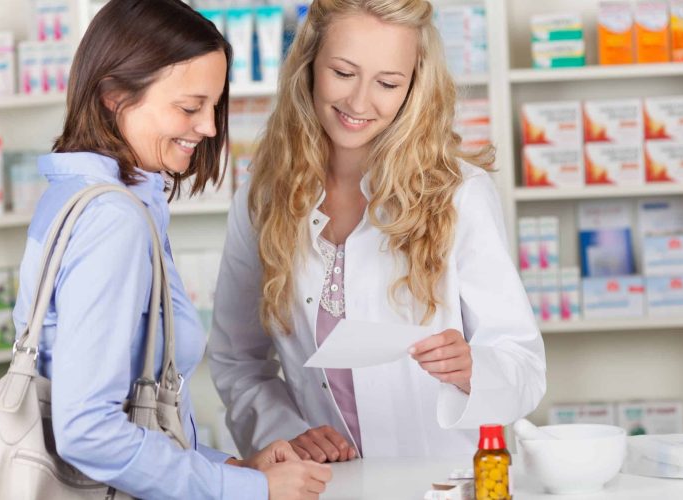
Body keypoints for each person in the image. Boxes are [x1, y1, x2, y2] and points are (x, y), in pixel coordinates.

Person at [11, 0, 330, 498]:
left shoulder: (78, 196)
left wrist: (235, 468)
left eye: (212, 107)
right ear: (115, 96)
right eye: (189, 107)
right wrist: (244, 490)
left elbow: (133, 418)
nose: (207, 127)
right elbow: (88, 430)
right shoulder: (112, 220)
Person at [208, 0, 546, 463]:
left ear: (414, 87)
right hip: (323, 484)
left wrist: (472, 368)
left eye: (387, 83)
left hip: (441, 481)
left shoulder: (459, 194)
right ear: (308, 64)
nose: (359, 102)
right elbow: (238, 361)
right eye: (343, 73)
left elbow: (522, 363)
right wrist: (286, 435)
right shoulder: (263, 200)